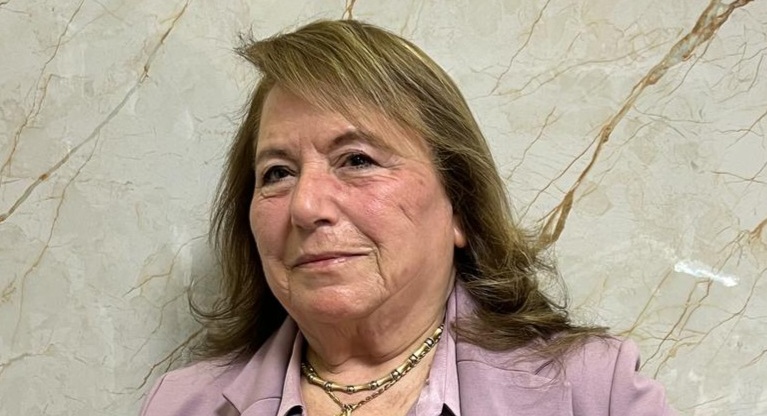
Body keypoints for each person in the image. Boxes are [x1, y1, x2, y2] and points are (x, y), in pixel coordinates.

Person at [140, 19, 673, 416]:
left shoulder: (593, 392)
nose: (306, 207)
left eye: (357, 160)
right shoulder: (181, 405)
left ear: (460, 206)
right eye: (277, 173)